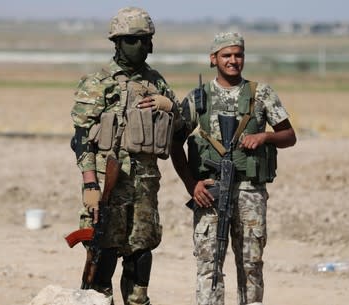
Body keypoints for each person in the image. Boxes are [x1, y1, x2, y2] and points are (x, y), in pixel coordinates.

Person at [170, 32, 296, 305]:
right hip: (211, 193)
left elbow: (289, 136)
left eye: (238, 55)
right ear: (213, 59)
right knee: (209, 265)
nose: (233, 61)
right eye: (226, 55)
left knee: (251, 264)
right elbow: (174, 144)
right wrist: (192, 185)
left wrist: (265, 137)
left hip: (250, 192)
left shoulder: (260, 94)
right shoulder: (199, 98)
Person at [70, 7, 180, 305]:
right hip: (107, 186)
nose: (141, 46)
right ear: (117, 42)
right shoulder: (98, 83)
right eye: (133, 40)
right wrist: (91, 185)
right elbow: (81, 140)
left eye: (146, 40)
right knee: (102, 253)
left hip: (143, 186)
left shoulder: (156, 83)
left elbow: (179, 127)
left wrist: (170, 107)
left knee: (141, 252)